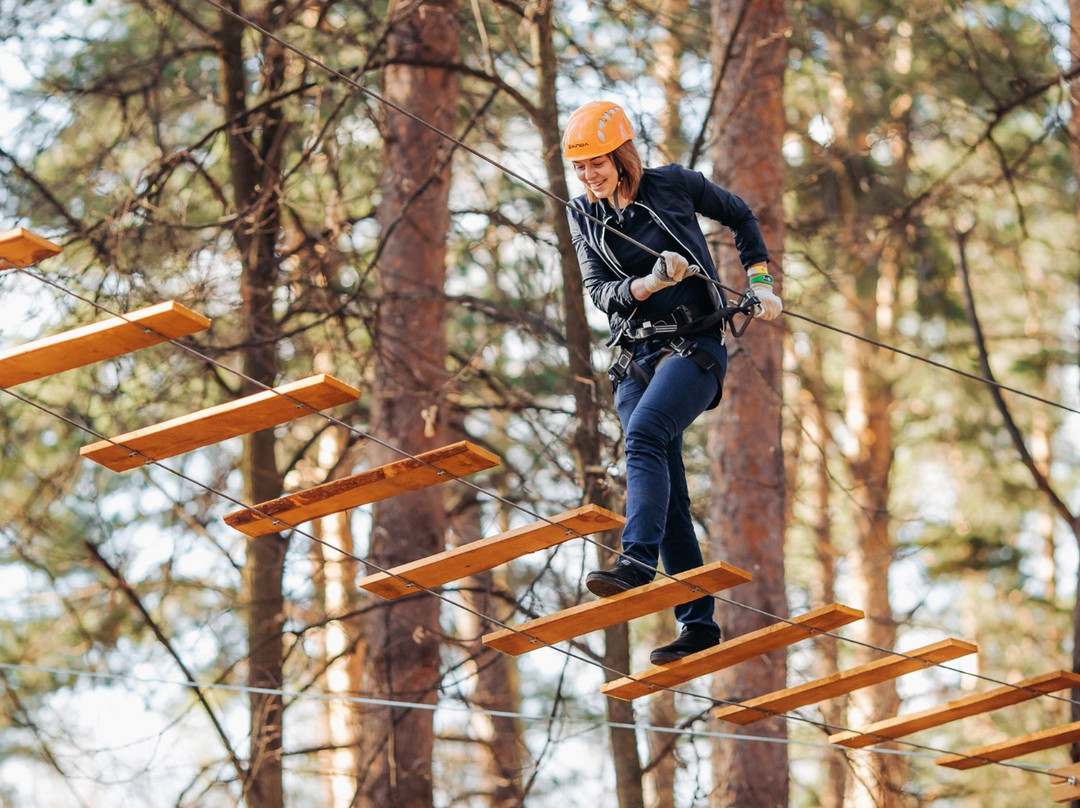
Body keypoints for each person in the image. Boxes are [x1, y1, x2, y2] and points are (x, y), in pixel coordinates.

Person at [562, 100, 783, 665]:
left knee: (643, 437)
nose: (589, 177)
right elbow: (599, 292)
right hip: (635, 356)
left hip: (694, 347)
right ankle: (698, 624)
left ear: (621, 155)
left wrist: (759, 280)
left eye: (597, 164)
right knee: (671, 493)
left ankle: (635, 561)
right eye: (580, 168)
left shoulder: (674, 186)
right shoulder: (583, 214)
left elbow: (740, 215)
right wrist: (646, 284)